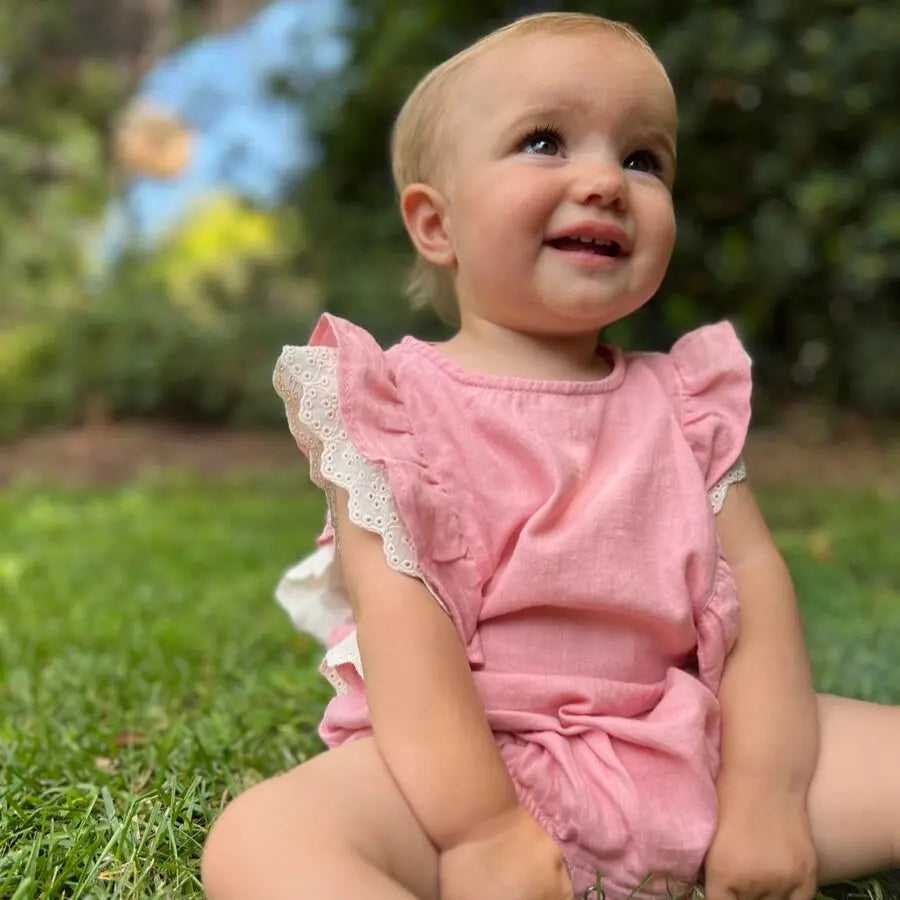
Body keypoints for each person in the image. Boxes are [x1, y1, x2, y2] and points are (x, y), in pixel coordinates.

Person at [200, 12, 900, 900]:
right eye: (545, 142)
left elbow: (756, 602)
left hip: (689, 750)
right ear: (435, 224)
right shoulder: (393, 411)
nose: (607, 179)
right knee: (262, 842)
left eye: (644, 159)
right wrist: (484, 832)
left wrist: (767, 795)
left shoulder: (685, 408)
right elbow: (405, 633)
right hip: (472, 771)